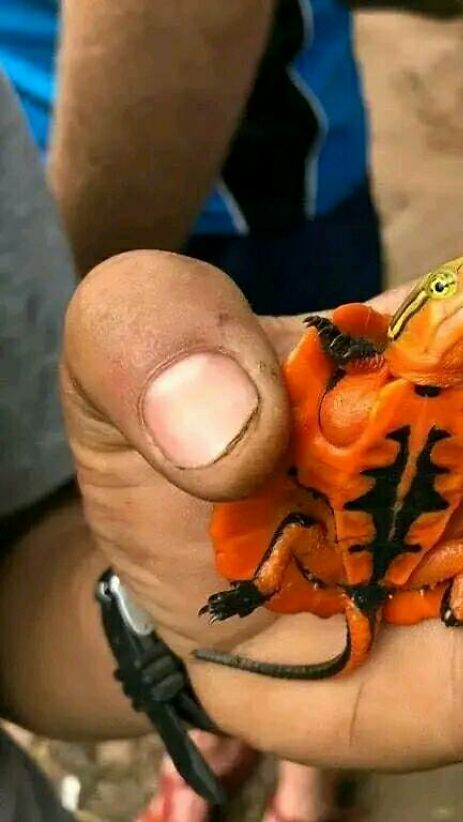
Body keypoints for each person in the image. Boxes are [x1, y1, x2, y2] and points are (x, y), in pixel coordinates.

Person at [3, 39, 463, 817]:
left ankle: (283, 695)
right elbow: (351, 422)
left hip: (377, 556)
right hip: (394, 561)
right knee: (416, 552)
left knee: (399, 547)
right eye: (448, 287)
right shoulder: (389, 387)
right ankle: (272, 633)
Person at [0, 1, 384, 818]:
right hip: (42, 142)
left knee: (329, 484)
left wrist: (76, 299)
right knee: (209, 522)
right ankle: (230, 710)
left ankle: (312, 761)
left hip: (242, 173)